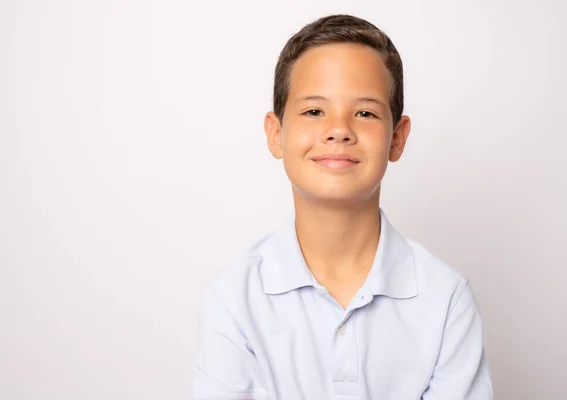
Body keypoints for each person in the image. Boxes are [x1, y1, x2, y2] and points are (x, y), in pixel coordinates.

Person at [193, 14, 494, 400]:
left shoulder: (446, 299)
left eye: (365, 113)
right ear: (276, 133)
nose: (339, 129)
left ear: (397, 138)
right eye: (314, 111)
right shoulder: (234, 298)